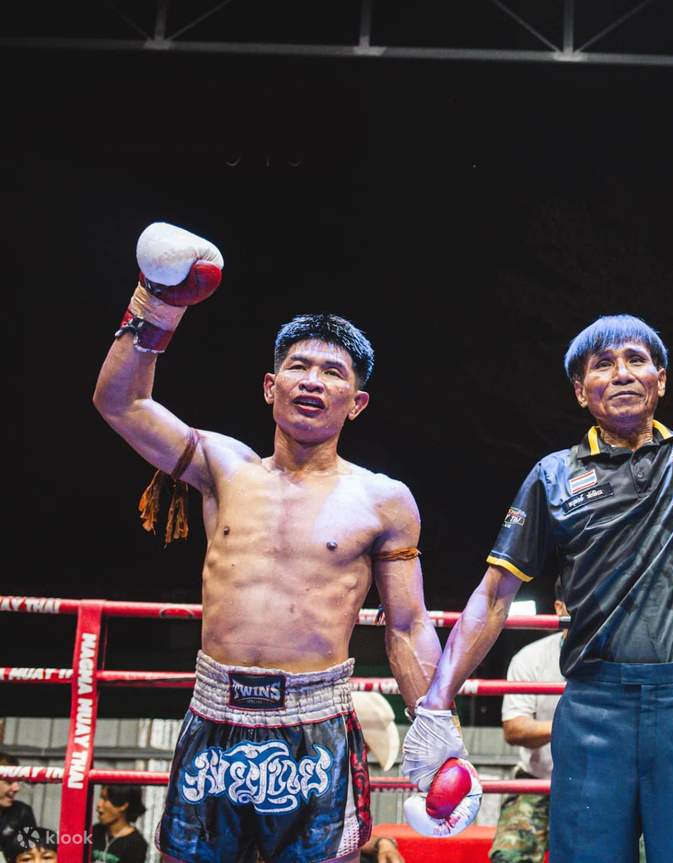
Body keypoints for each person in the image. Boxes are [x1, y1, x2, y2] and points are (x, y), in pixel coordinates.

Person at [400, 259, 673, 860]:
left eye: (636, 359)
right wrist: (436, 706)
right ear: (580, 390)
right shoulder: (553, 475)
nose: (621, 372)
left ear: (661, 379)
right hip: (596, 706)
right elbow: (493, 596)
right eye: (602, 364)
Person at [92, 224, 442, 863]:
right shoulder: (222, 467)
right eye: (297, 366)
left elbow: (409, 623)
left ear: (356, 403)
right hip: (215, 712)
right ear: (269, 385)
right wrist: (157, 304)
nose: (312, 381)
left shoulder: (383, 498)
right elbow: (120, 403)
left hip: (317, 724)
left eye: (332, 372)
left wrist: (435, 727)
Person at [488, 594, 566, 863]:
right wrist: (571, 727)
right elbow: (515, 729)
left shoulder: (616, 658)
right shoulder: (531, 657)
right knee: (508, 857)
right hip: (537, 781)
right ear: (559, 607)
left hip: (601, 784)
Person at [91, 786, 148, 863]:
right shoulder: (94, 831)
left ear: (123, 805)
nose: (99, 804)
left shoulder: (136, 844)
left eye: (105, 799)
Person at [0, 753, 37, 863]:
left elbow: (32, 854)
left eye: (17, 781)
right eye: (9, 781)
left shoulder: (22, 812)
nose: (17, 788)